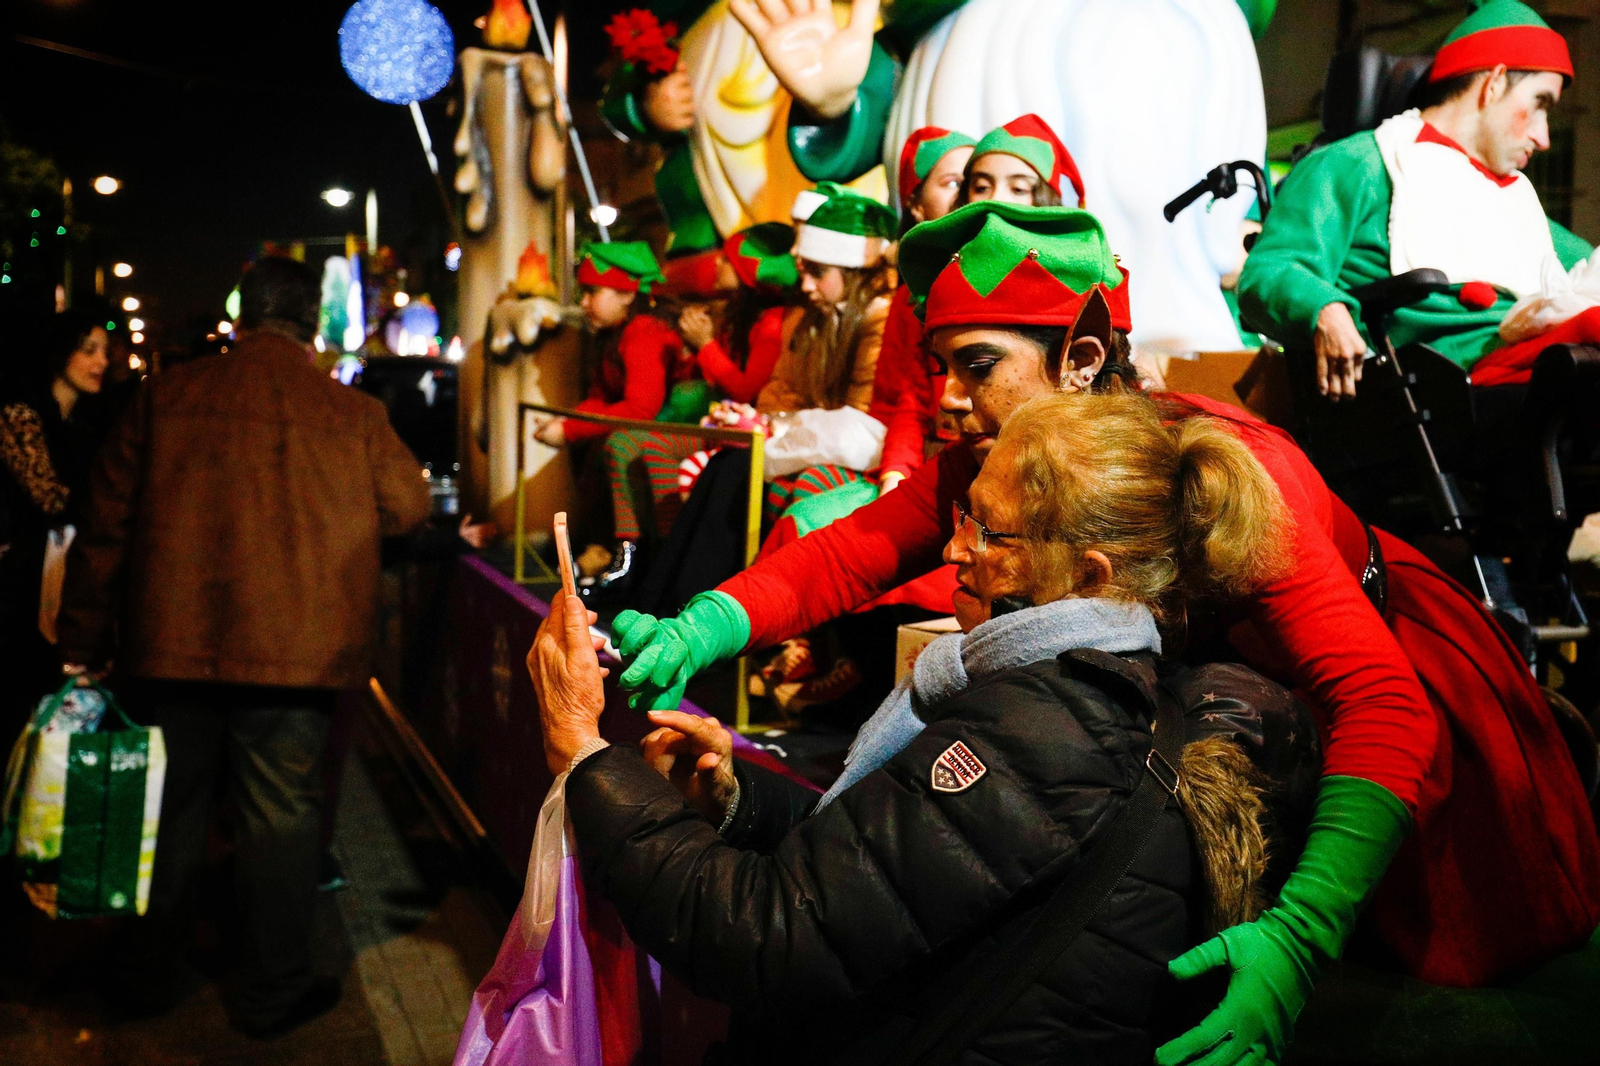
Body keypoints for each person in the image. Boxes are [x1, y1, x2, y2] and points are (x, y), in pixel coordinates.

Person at [611, 203, 1600, 1064]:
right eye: (943, 366)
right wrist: (706, 622)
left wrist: (1302, 932)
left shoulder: (1224, 476)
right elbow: (852, 551)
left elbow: (1380, 702)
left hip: (1367, 708)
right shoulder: (998, 455)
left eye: (978, 366)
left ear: (1081, 358)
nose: (949, 397)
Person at [529, 386, 1310, 1065]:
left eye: (989, 531)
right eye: (966, 516)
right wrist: (736, 803)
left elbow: (767, 938)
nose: (952, 548)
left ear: (1088, 574)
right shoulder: (1045, 699)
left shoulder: (1042, 732)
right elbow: (892, 861)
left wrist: (588, 756)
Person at [56, 256, 431, 1036]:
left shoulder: (166, 396)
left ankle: (145, 977)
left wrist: (83, 640)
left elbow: (106, 526)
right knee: (281, 819)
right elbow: (405, 509)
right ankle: (271, 994)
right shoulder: (350, 412)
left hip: (169, 644)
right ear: (307, 325)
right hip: (297, 656)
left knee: (172, 811)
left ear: (244, 314)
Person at [1238, 0, 1589, 396]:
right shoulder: (1361, 164)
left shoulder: (1514, 202)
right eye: (1539, 104)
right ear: (1493, 84)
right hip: (1446, 390)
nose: (1544, 138)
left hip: (1533, 378)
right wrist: (1327, 310)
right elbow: (1268, 271)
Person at [589, 225, 803, 600]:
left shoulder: (770, 322)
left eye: (728, 258)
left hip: (745, 430)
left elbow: (747, 389)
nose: (718, 261)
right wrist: (691, 351)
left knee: (651, 448)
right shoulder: (732, 314)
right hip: (717, 422)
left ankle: (666, 561)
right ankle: (633, 557)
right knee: (623, 443)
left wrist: (704, 345)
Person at [534, 241, 682, 591]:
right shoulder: (614, 336)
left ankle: (629, 558)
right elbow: (601, 399)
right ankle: (597, 546)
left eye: (592, 292)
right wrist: (564, 423)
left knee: (617, 444)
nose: (583, 303)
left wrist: (570, 429)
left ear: (627, 295)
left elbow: (640, 409)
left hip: (669, 430)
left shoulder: (644, 332)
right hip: (645, 429)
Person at [753, 183, 896, 521]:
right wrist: (766, 424)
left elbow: (860, 421)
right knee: (756, 479)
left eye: (817, 273)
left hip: (877, 453)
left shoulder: (880, 315)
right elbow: (791, 390)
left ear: (849, 268)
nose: (805, 285)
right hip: (833, 442)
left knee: (807, 487)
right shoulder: (822, 316)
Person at [0, 310, 109, 725]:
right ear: (60, 353)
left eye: (104, 352)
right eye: (88, 351)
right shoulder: (20, 413)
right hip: (19, 587)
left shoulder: (85, 424)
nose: (101, 362)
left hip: (60, 580)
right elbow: (49, 497)